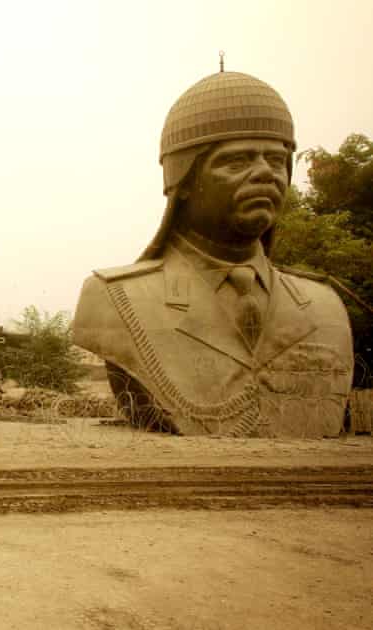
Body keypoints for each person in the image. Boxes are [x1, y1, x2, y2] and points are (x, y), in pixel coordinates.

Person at [72, 66, 353, 438]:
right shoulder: (114, 297)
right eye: (236, 161)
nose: (265, 174)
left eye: (276, 160)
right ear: (183, 180)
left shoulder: (324, 304)